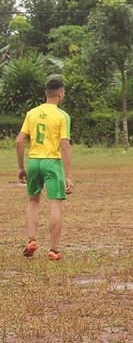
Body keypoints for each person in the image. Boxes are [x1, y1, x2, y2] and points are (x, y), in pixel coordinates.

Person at [16, 77, 74, 261]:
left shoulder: (32, 113)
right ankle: (54, 250)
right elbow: (65, 147)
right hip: (52, 162)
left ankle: (32, 240)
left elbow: (19, 140)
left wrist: (21, 167)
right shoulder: (62, 116)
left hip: (33, 161)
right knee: (54, 203)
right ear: (61, 93)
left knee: (33, 201)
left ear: (45, 93)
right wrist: (69, 176)